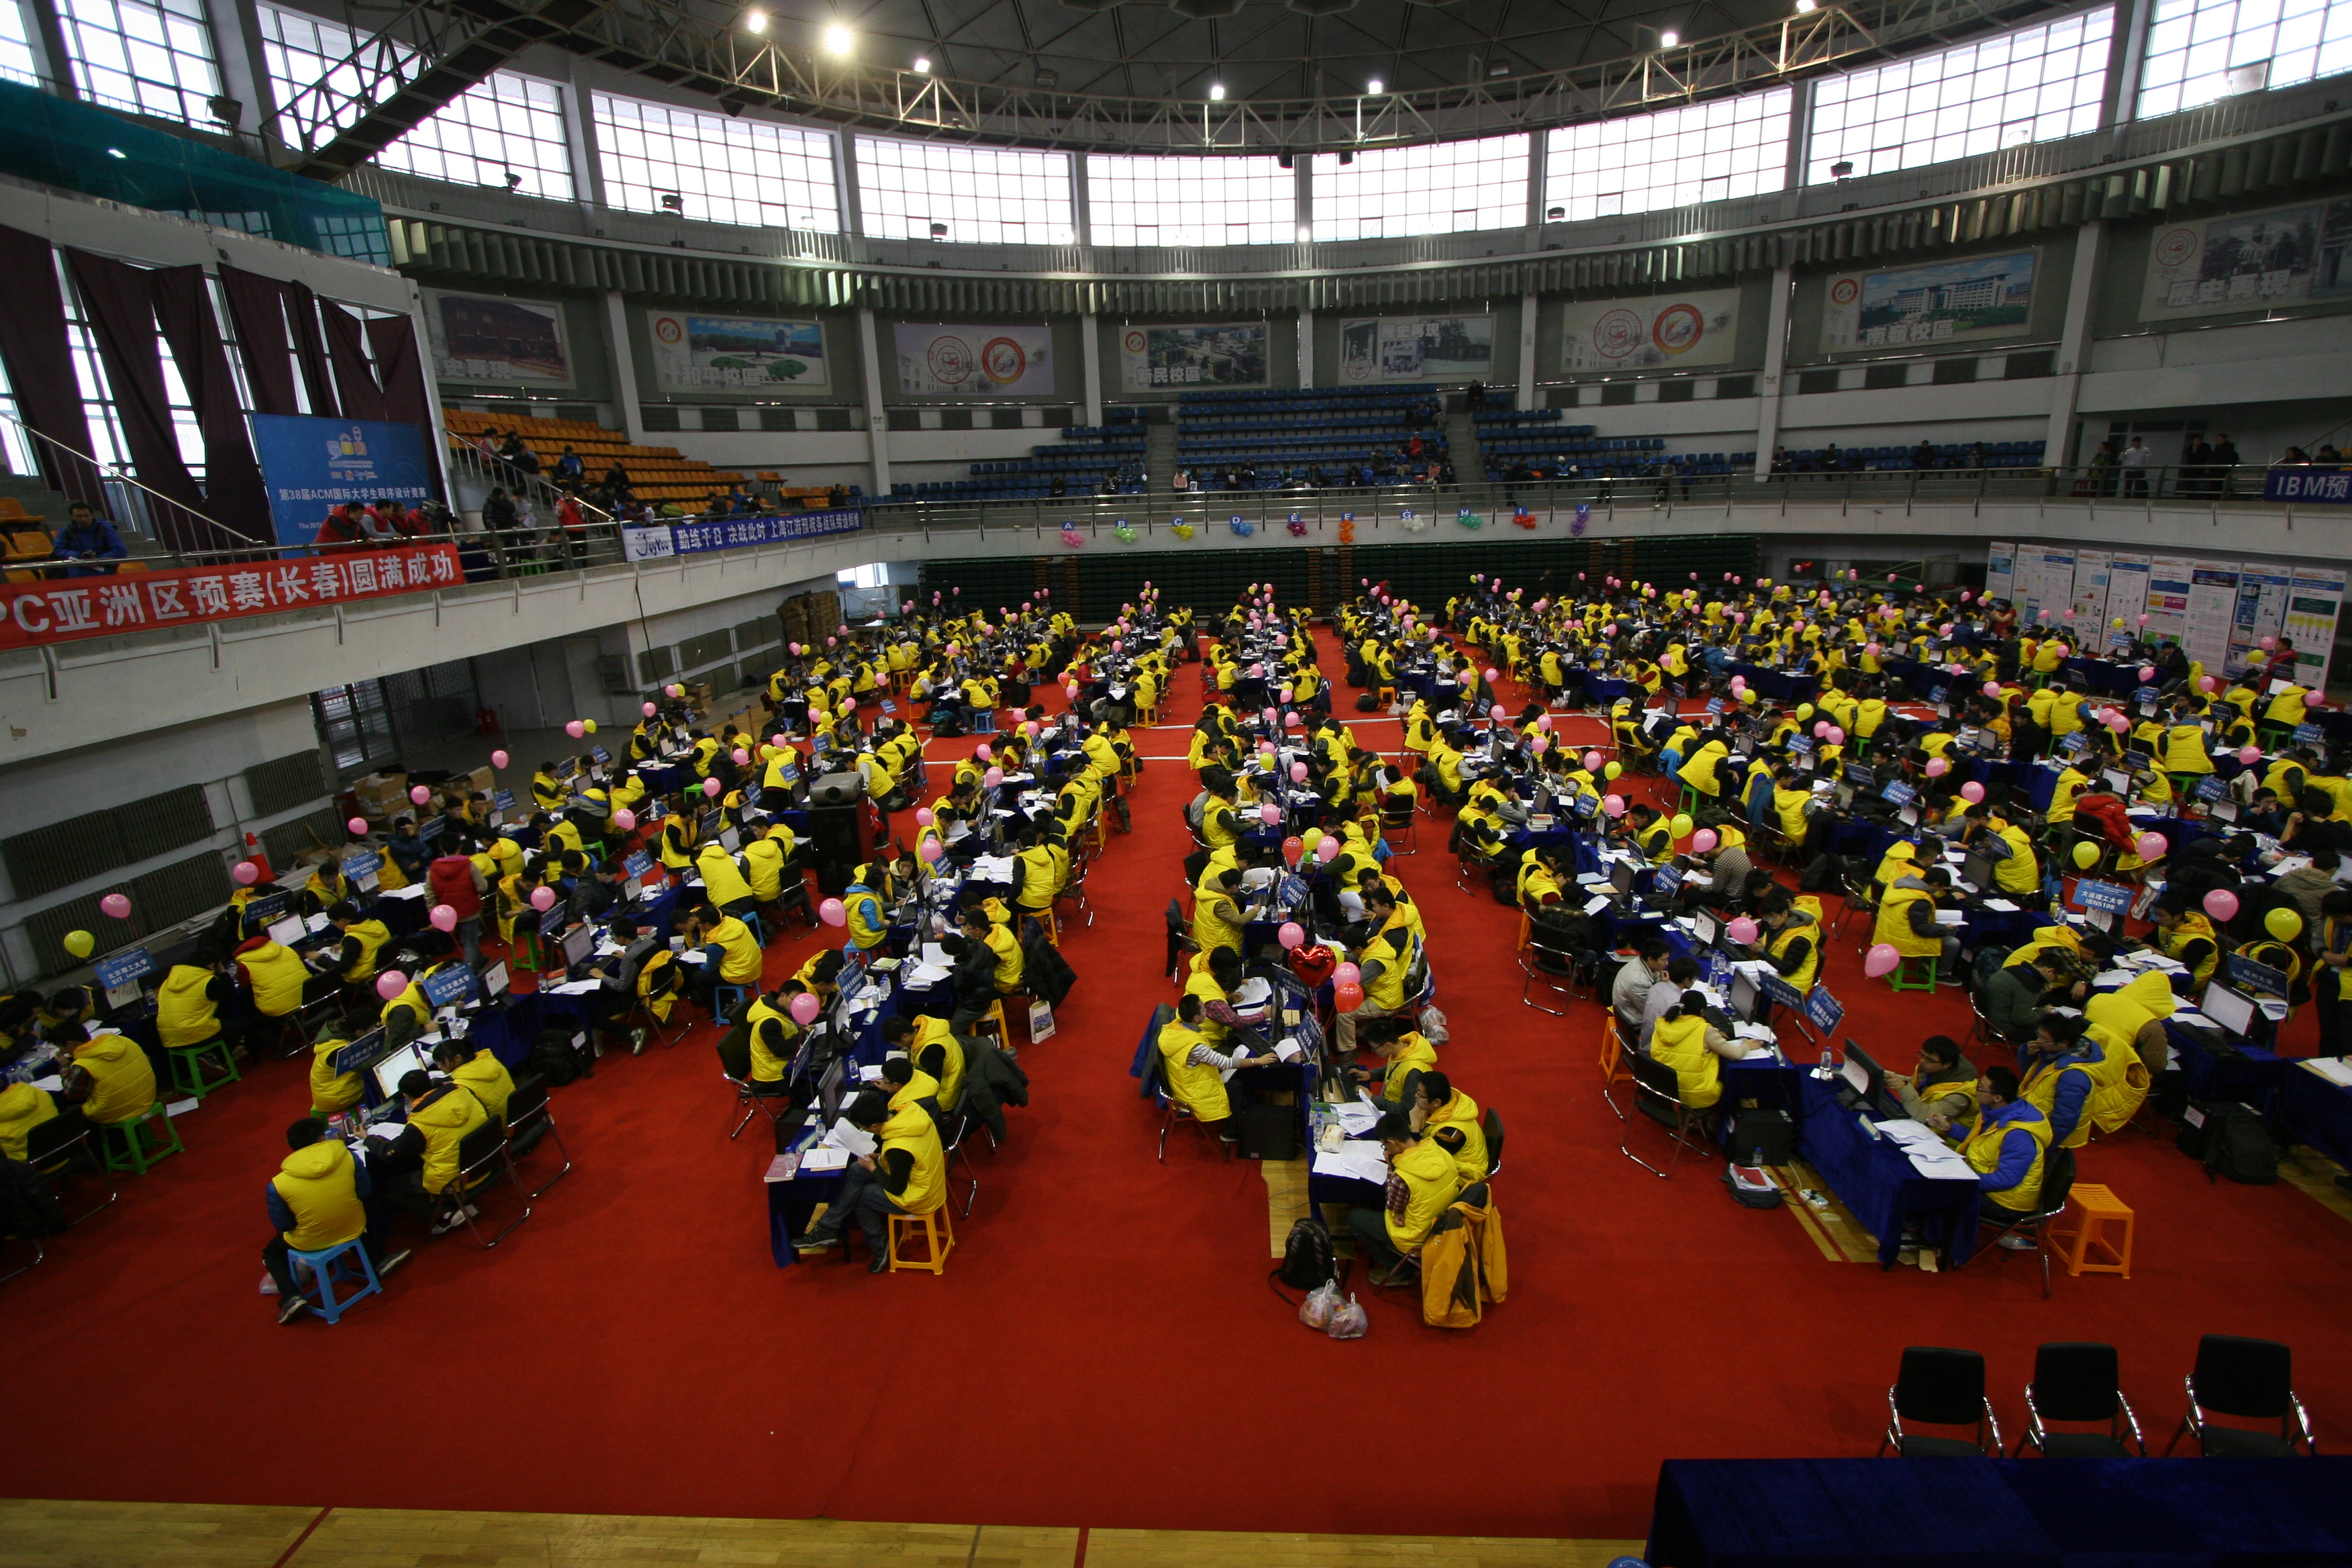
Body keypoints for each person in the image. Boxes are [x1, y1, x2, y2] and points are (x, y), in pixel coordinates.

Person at [262, 1118, 408, 1324]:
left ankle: (291, 1296)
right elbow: (364, 1192)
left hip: (311, 1240)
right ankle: (379, 1259)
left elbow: (284, 1225)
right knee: (348, 1214)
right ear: (322, 1138)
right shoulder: (348, 1157)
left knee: (272, 1252)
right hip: (353, 1226)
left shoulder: (278, 1184)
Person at [790, 1088, 946, 1273]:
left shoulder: (898, 1149)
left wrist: (873, 1167)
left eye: (864, 1129)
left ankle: (880, 1245)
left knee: (861, 1197)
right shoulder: (910, 1116)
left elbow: (896, 1188)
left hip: (919, 1196)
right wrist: (880, 1158)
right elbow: (913, 1157)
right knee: (856, 1170)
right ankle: (827, 1228)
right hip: (926, 1178)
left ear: (874, 1126)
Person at [1345, 1110, 1463, 1285]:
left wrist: (1391, 1166)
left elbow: (1392, 1206)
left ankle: (1399, 1270)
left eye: (1385, 1146)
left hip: (1417, 1236)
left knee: (1355, 1218)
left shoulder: (1403, 1177)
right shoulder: (1440, 1152)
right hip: (1444, 1225)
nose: (1386, 1149)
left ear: (1392, 1142)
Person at [381, 1067, 488, 1232]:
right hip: (486, 1160)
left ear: (407, 1096)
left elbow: (390, 1154)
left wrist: (369, 1139)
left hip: (454, 1180)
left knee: (395, 1186)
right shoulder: (463, 1091)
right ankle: (460, 1203)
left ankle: (446, 1214)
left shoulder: (420, 1123)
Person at [1961, 1066, 2052, 1246]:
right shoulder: (1999, 1112)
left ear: (1997, 1098)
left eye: (1980, 1087)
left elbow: (2007, 1180)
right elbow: (1982, 1143)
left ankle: (1940, 1244)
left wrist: (1964, 1181)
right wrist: (1950, 1129)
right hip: (1991, 1182)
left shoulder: (2018, 1135)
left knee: (1942, 1193)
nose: (1975, 1090)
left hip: (2006, 1202)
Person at [1648, 989, 1751, 1110]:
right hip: (1694, 1095)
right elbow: (1736, 1054)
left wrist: (1715, 1037)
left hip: (1663, 1089)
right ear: (1702, 1012)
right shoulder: (1706, 1031)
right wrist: (1747, 1045)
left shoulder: (1663, 1024)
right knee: (1732, 1083)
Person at [1884, 1036, 1977, 1131]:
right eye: (1922, 1055)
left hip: (1941, 1136)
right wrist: (1884, 1076)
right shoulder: (1933, 1069)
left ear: (1947, 1064)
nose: (1922, 1061)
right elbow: (1915, 1084)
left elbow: (1926, 1116)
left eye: (1929, 1059)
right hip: (1917, 1120)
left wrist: (1903, 1087)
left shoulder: (1958, 1097)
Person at [1412, 1071, 1488, 1185]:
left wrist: (1415, 1126)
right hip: (1448, 1161)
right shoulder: (1447, 1104)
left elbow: (1427, 1161)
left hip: (1464, 1177)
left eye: (1420, 1094)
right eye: (1417, 1091)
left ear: (1436, 1102)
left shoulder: (1451, 1132)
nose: (1416, 1096)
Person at [432, 1036, 513, 1124]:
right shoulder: (490, 1060)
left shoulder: (462, 1086)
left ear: (458, 1058)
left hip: (500, 1125)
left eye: (441, 1063)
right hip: (515, 1113)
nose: (439, 1067)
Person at [52, 501, 127, 577]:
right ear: (72, 517)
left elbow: (120, 551)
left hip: (103, 573)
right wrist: (79, 556)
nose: (84, 519)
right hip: (76, 573)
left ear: (92, 515)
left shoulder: (105, 529)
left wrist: (97, 560)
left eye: (86, 515)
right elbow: (59, 550)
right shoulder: (66, 531)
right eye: (79, 516)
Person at [1611, 940, 1670, 1033]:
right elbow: (1650, 1010)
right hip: (1634, 1018)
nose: (1667, 963)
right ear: (1651, 959)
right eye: (1664, 960)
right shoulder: (1638, 982)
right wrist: (1663, 986)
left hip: (1635, 1007)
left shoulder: (1644, 962)